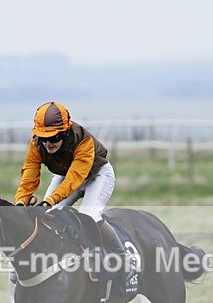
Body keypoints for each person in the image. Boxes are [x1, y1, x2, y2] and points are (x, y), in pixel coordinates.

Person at [13, 101, 132, 283]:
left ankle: (123, 258)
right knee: (48, 216)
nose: (48, 143)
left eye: (54, 138)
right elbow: (30, 173)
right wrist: (20, 202)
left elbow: (74, 179)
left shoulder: (83, 141)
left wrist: (49, 201)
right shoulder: (36, 144)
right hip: (65, 176)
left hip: (97, 175)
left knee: (89, 216)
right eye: (43, 138)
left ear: (65, 132)